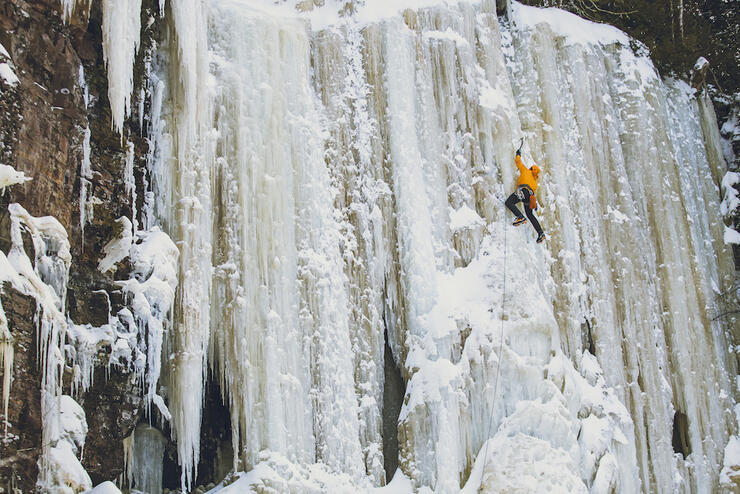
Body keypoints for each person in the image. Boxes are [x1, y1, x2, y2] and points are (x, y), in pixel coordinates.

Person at [505, 147, 545, 243]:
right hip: (530, 196)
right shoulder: (535, 183)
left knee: (509, 202)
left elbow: (518, 162)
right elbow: (533, 193)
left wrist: (518, 153)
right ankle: (540, 233)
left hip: (523, 191)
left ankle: (520, 216)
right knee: (530, 215)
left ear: (531, 169)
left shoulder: (526, 170)